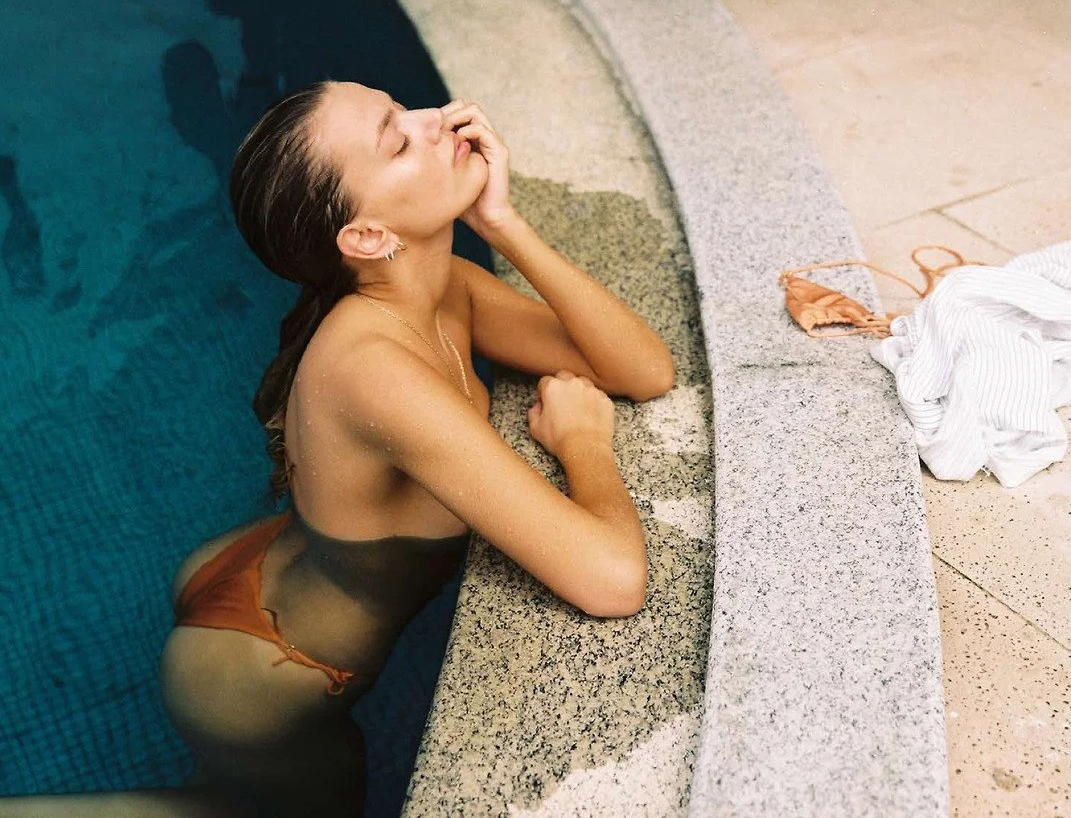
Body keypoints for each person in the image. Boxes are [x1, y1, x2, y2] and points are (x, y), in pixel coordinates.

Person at [1, 81, 676, 818]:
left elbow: (644, 371)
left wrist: (502, 222)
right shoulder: (377, 374)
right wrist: (583, 443)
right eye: (399, 139)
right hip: (270, 673)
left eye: (406, 109)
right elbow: (612, 580)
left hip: (264, 571)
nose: (439, 120)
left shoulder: (443, 288)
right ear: (366, 237)